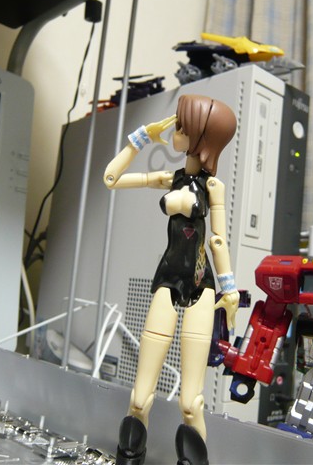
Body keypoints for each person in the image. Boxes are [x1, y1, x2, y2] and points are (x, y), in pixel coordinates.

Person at [104, 94, 239, 465]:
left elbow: (217, 240)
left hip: (201, 285)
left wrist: (229, 289)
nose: (174, 131)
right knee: (138, 398)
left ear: (200, 137)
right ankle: (130, 454)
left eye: (181, 126)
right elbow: (111, 178)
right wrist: (141, 138)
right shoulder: (170, 178)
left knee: (191, 403)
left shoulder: (213, 188)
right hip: (167, 279)